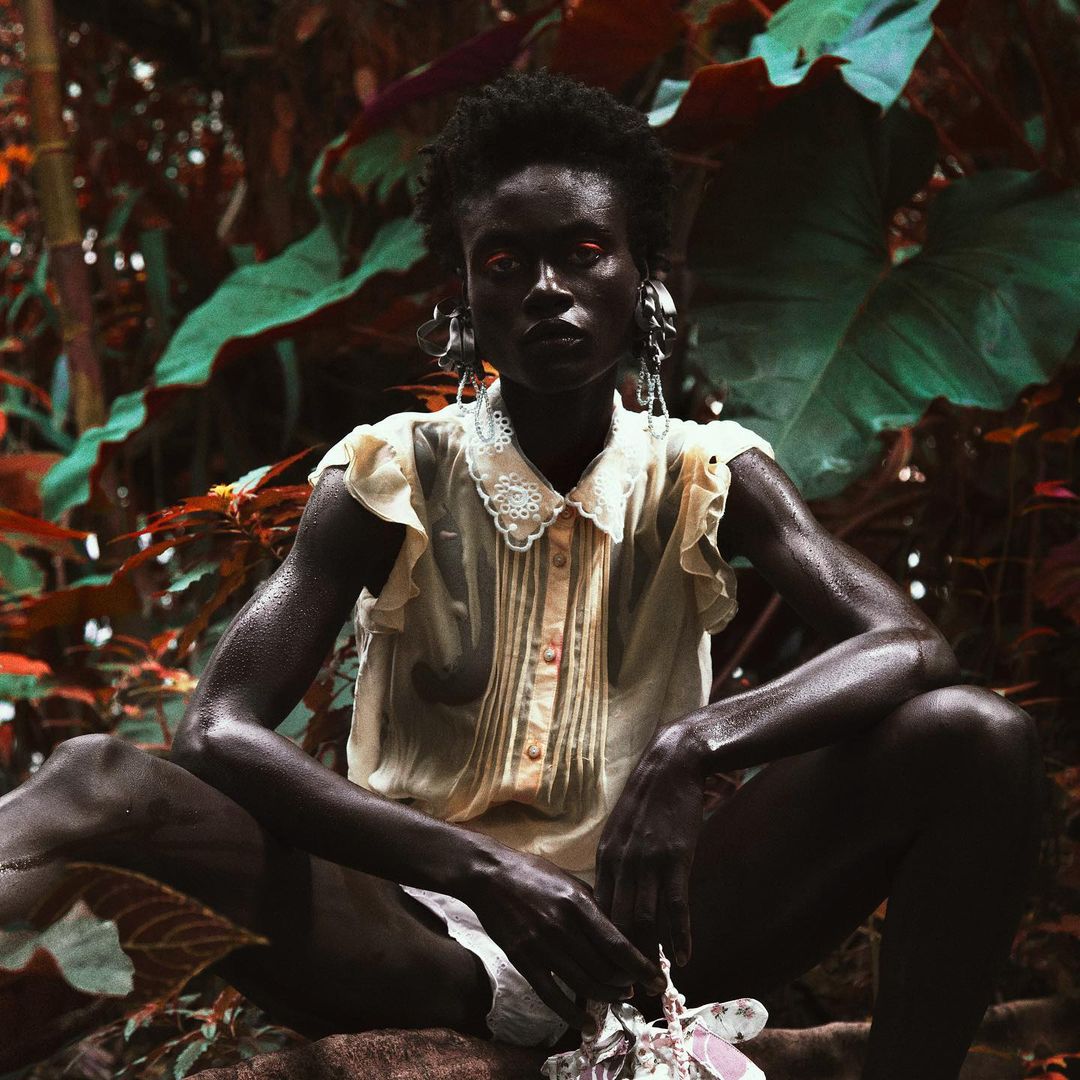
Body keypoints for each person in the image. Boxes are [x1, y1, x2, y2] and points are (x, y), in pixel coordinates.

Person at [0, 70, 1046, 1078]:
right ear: (466, 296)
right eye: (505, 263)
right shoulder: (390, 470)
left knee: (977, 734)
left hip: (648, 938)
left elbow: (907, 644)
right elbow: (217, 729)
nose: (547, 289)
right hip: (412, 935)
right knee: (99, 779)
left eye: (584, 252)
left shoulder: (711, 471)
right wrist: (480, 870)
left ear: (641, 277)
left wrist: (690, 748)